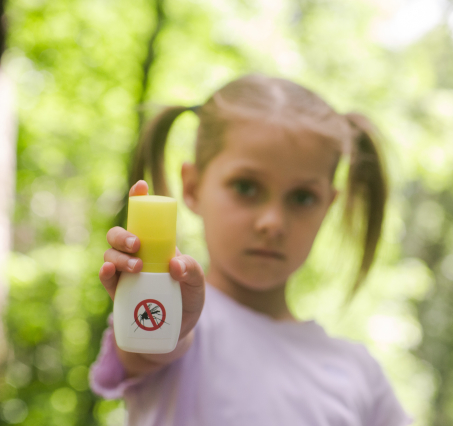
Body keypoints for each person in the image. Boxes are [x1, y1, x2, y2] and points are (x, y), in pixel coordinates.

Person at [90, 73, 413, 426]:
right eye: (246, 187)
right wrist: (162, 309)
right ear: (193, 187)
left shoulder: (360, 376)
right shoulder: (178, 322)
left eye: (303, 197)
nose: (272, 222)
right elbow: (148, 345)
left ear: (327, 207)